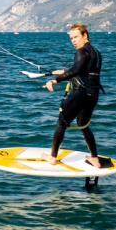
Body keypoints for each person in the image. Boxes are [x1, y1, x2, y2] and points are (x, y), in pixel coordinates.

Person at [42, 23, 103, 168]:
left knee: (62, 122)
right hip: (93, 95)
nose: (73, 41)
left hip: (80, 94)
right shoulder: (96, 53)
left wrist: (54, 80)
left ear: (85, 35)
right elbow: (83, 70)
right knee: (83, 124)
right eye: (71, 38)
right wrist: (61, 72)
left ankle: (52, 158)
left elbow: (76, 70)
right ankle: (94, 157)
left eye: (76, 37)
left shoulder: (81, 52)